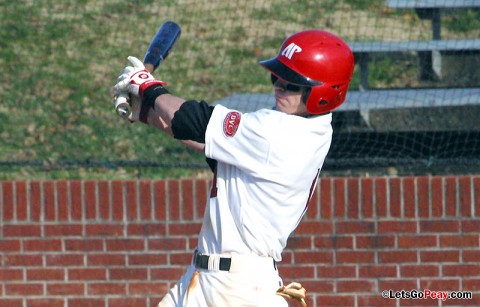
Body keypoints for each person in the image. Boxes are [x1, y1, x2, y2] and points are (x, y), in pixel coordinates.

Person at [113, 29, 354, 307]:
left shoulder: (279, 133)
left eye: (292, 84)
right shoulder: (307, 128)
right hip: (204, 279)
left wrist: (148, 86)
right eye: (277, 77)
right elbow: (206, 142)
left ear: (323, 93)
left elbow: (196, 121)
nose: (278, 86)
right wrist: (143, 111)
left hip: (240, 290)